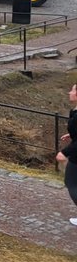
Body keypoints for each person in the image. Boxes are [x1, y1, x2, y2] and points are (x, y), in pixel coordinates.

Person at [56, 84, 77, 226]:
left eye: (73, 90)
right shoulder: (75, 111)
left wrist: (64, 152)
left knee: (71, 183)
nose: (70, 92)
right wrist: (72, 134)